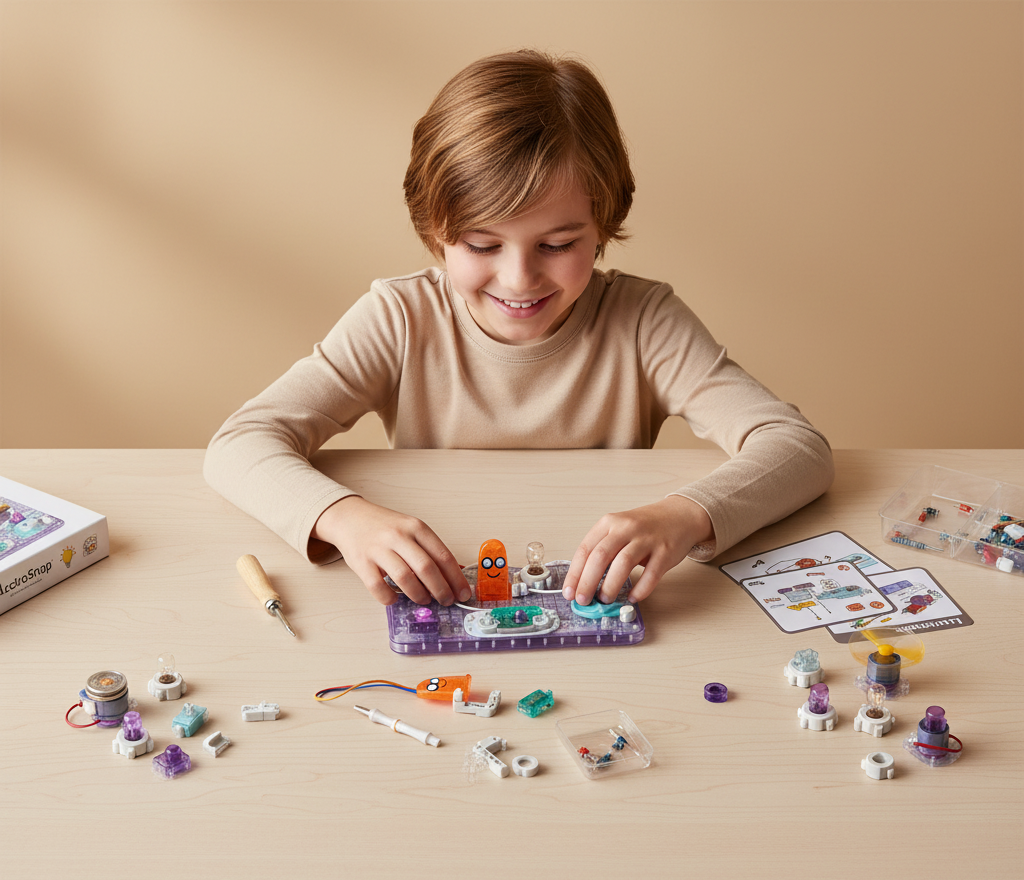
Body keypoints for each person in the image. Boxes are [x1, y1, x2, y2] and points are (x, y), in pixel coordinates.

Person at [204, 50, 834, 609]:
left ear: (604, 223)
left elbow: (796, 448)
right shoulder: (399, 318)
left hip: (598, 607)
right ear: (435, 234)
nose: (519, 277)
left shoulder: (645, 322)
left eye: (558, 243)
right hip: (448, 597)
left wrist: (685, 515)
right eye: (481, 244)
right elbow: (241, 444)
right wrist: (344, 518)